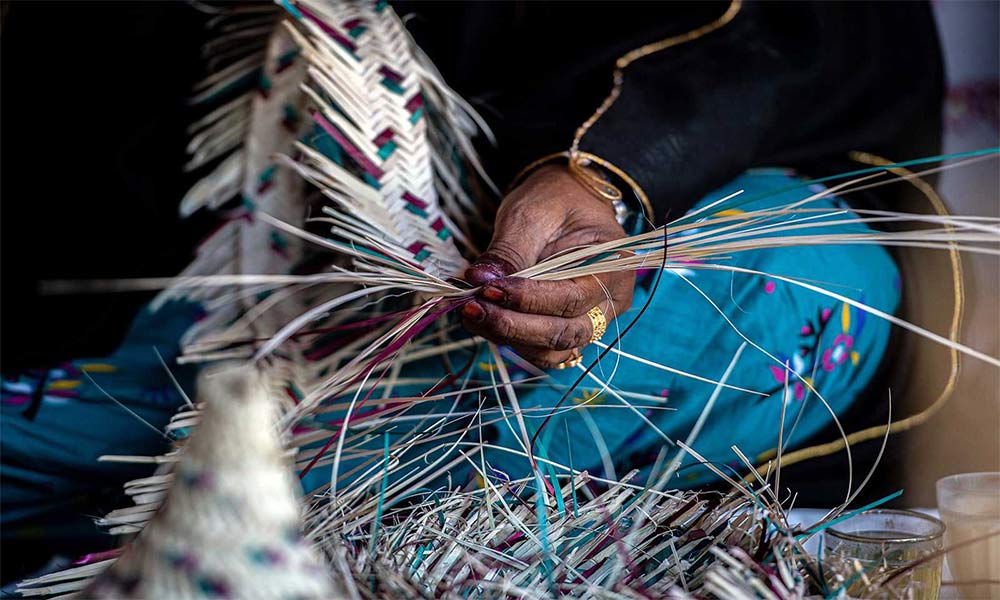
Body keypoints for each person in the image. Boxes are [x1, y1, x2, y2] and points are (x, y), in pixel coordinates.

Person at [2, 0, 942, 571]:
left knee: (755, 284)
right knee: (102, 416)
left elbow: (805, 42)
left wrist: (597, 173)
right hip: (262, 293)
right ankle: (215, 501)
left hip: (694, 226)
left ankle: (250, 513)